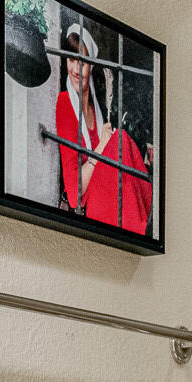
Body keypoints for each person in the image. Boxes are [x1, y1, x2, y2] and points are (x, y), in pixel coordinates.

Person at [51, 21, 153, 236]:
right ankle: (140, 224)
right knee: (118, 141)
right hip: (90, 206)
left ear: (91, 66)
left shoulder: (96, 112)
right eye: (71, 59)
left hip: (105, 197)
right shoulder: (65, 104)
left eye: (83, 62)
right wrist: (103, 146)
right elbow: (75, 192)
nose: (76, 70)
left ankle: (144, 220)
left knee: (121, 140)